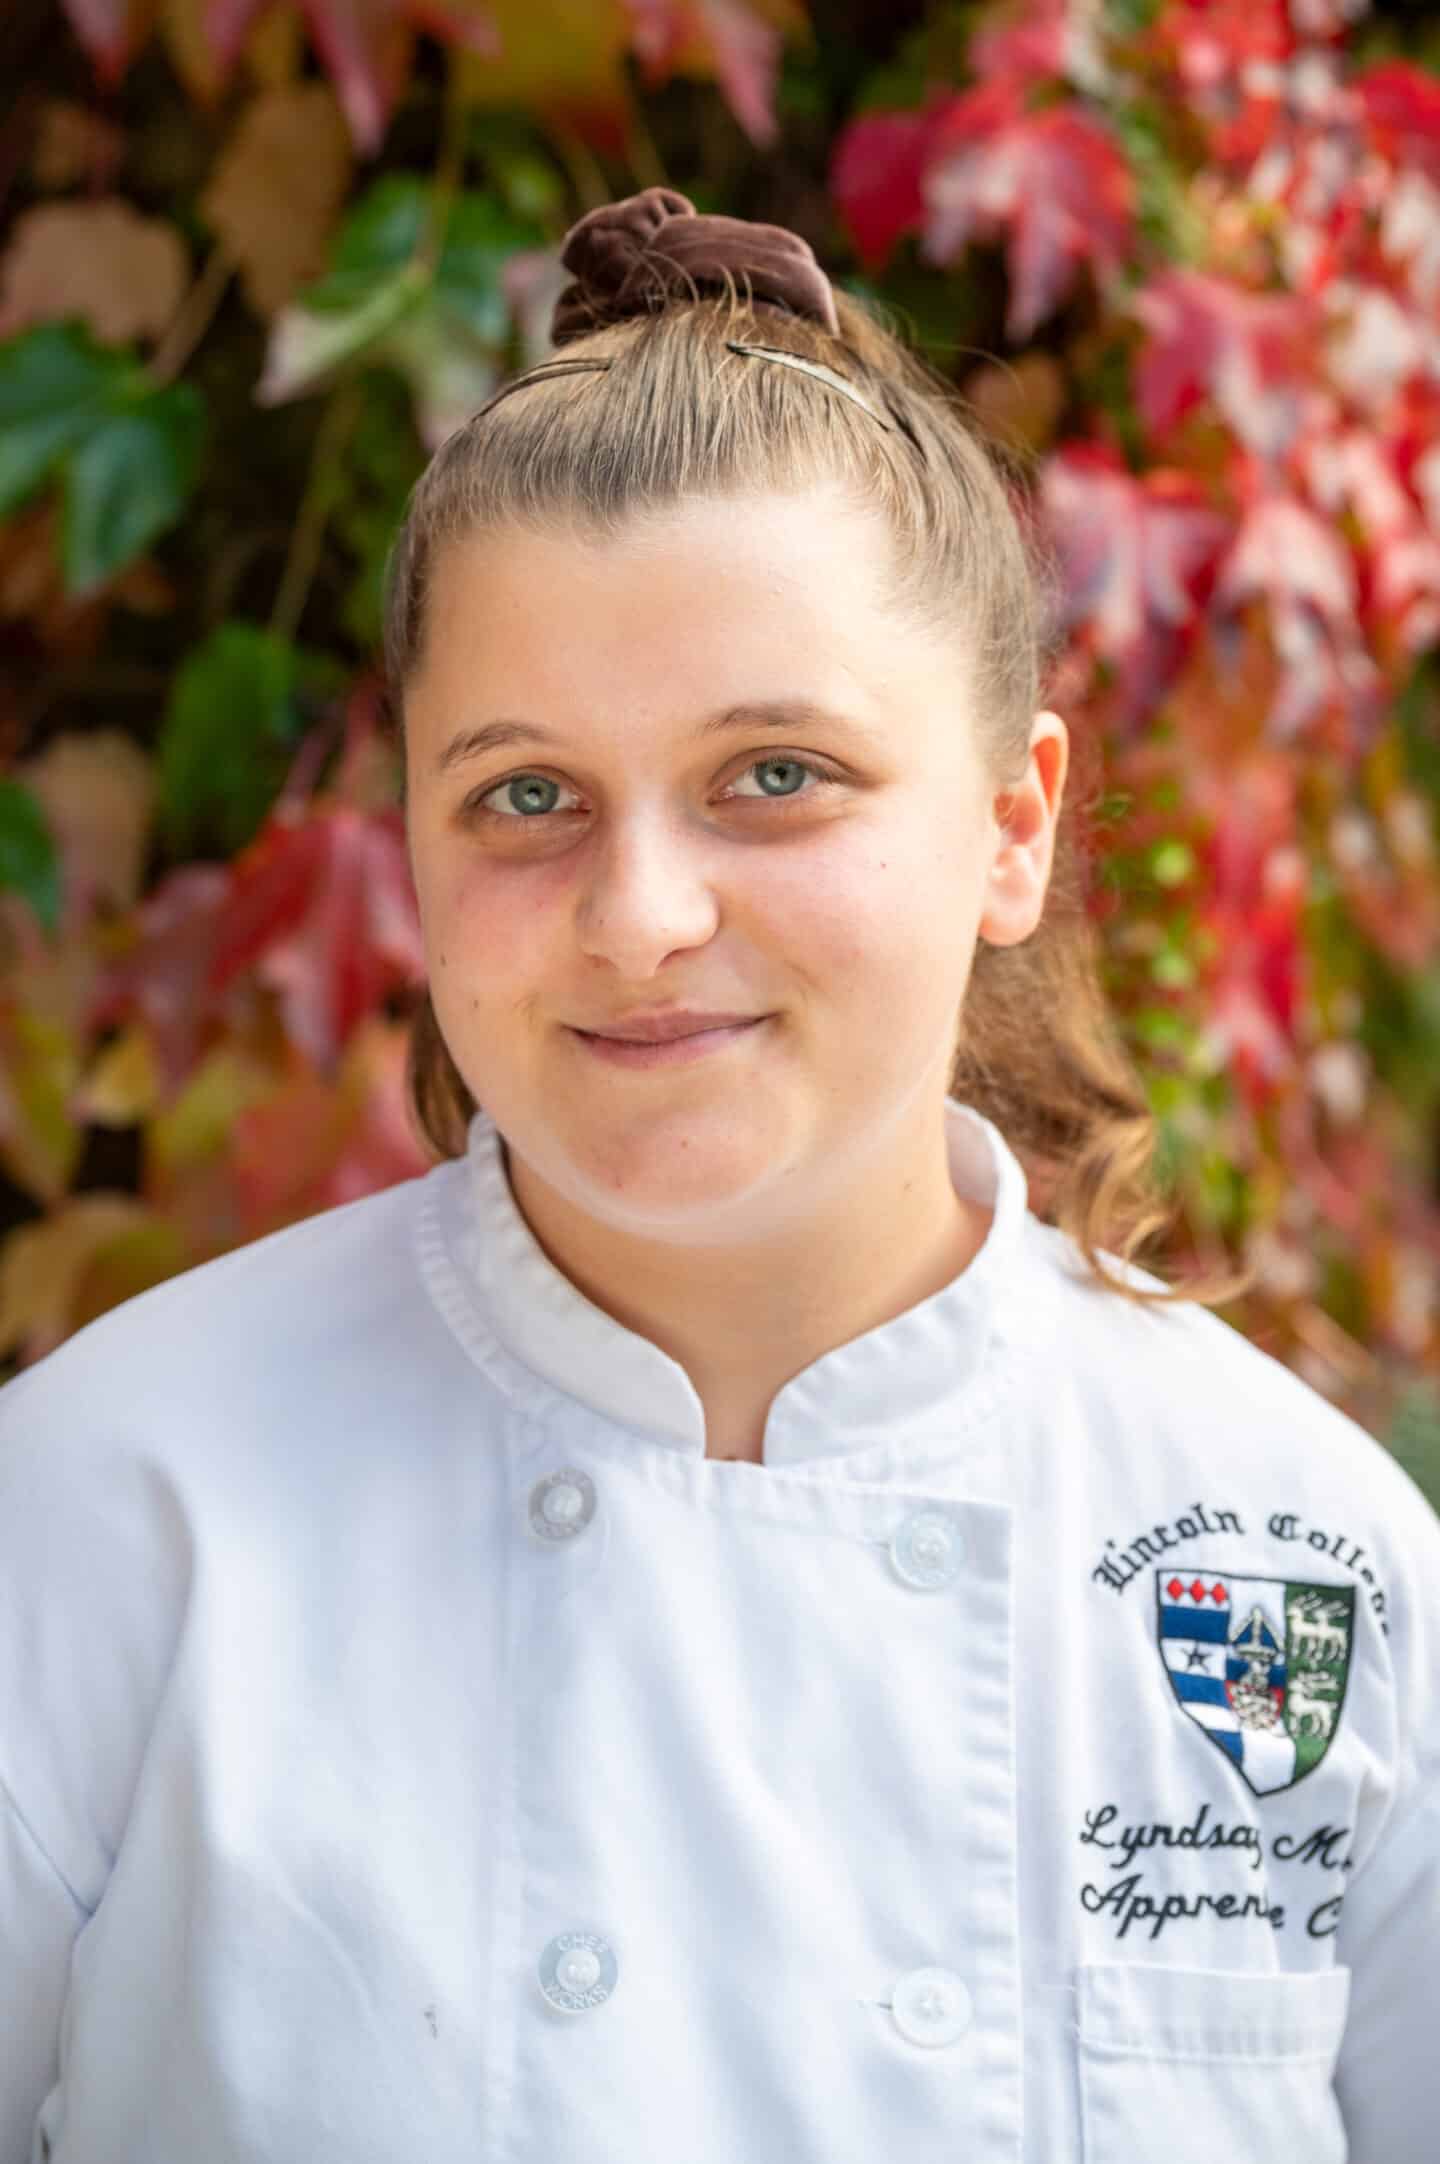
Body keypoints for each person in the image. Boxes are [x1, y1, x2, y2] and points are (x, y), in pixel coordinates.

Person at [1, 185, 1436, 2164]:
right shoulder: (100, 1508)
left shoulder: (1302, 1556)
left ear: (1015, 820)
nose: (640, 912)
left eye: (777, 773)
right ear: (407, 832)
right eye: (525, 794)